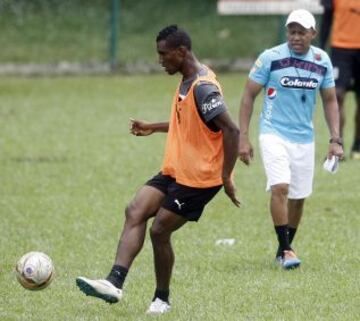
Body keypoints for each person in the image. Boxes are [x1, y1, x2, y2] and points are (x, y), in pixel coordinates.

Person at [76, 25, 240, 314]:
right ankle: (114, 283)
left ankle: (162, 298)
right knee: (135, 209)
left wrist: (226, 176)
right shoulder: (188, 80)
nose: (160, 60)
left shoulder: (203, 88)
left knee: (159, 230)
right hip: (177, 169)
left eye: (163, 55)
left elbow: (231, 129)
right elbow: (191, 125)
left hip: (200, 178)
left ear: (181, 52)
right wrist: (154, 127)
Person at [238, 9, 343, 269]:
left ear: (313, 34)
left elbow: (330, 100)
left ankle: (283, 247)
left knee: (298, 197)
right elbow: (248, 96)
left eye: (301, 32)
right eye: (291, 32)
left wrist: (335, 139)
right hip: (273, 132)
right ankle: (286, 250)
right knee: (281, 187)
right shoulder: (270, 58)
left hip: (304, 138)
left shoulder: (322, 60)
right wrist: (243, 137)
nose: (296, 37)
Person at [320, 0, 360, 159]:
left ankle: (357, 144)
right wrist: (321, 47)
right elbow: (327, 18)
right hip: (340, 49)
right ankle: (338, 145)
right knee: (337, 95)